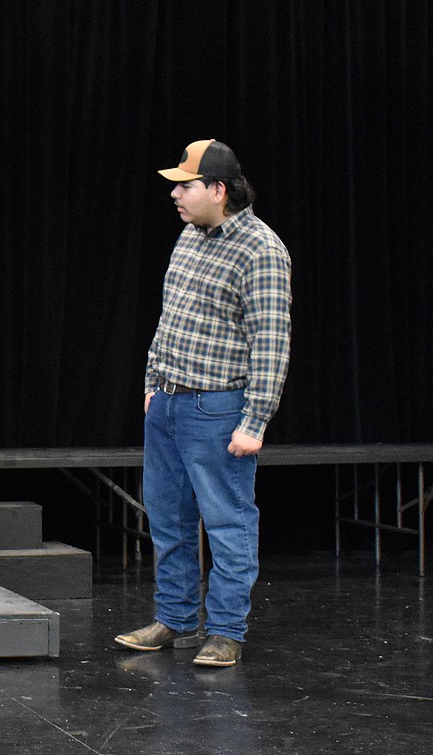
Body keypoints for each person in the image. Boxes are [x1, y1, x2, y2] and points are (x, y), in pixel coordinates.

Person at [115, 139, 292, 667]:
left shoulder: (261, 249)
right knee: (167, 519)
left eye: (185, 185)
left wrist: (254, 420)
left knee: (227, 521)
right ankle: (173, 617)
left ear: (219, 189)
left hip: (218, 408)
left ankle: (226, 631)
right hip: (168, 403)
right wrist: (151, 382)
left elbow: (271, 342)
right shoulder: (189, 237)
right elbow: (171, 318)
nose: (175, 193)